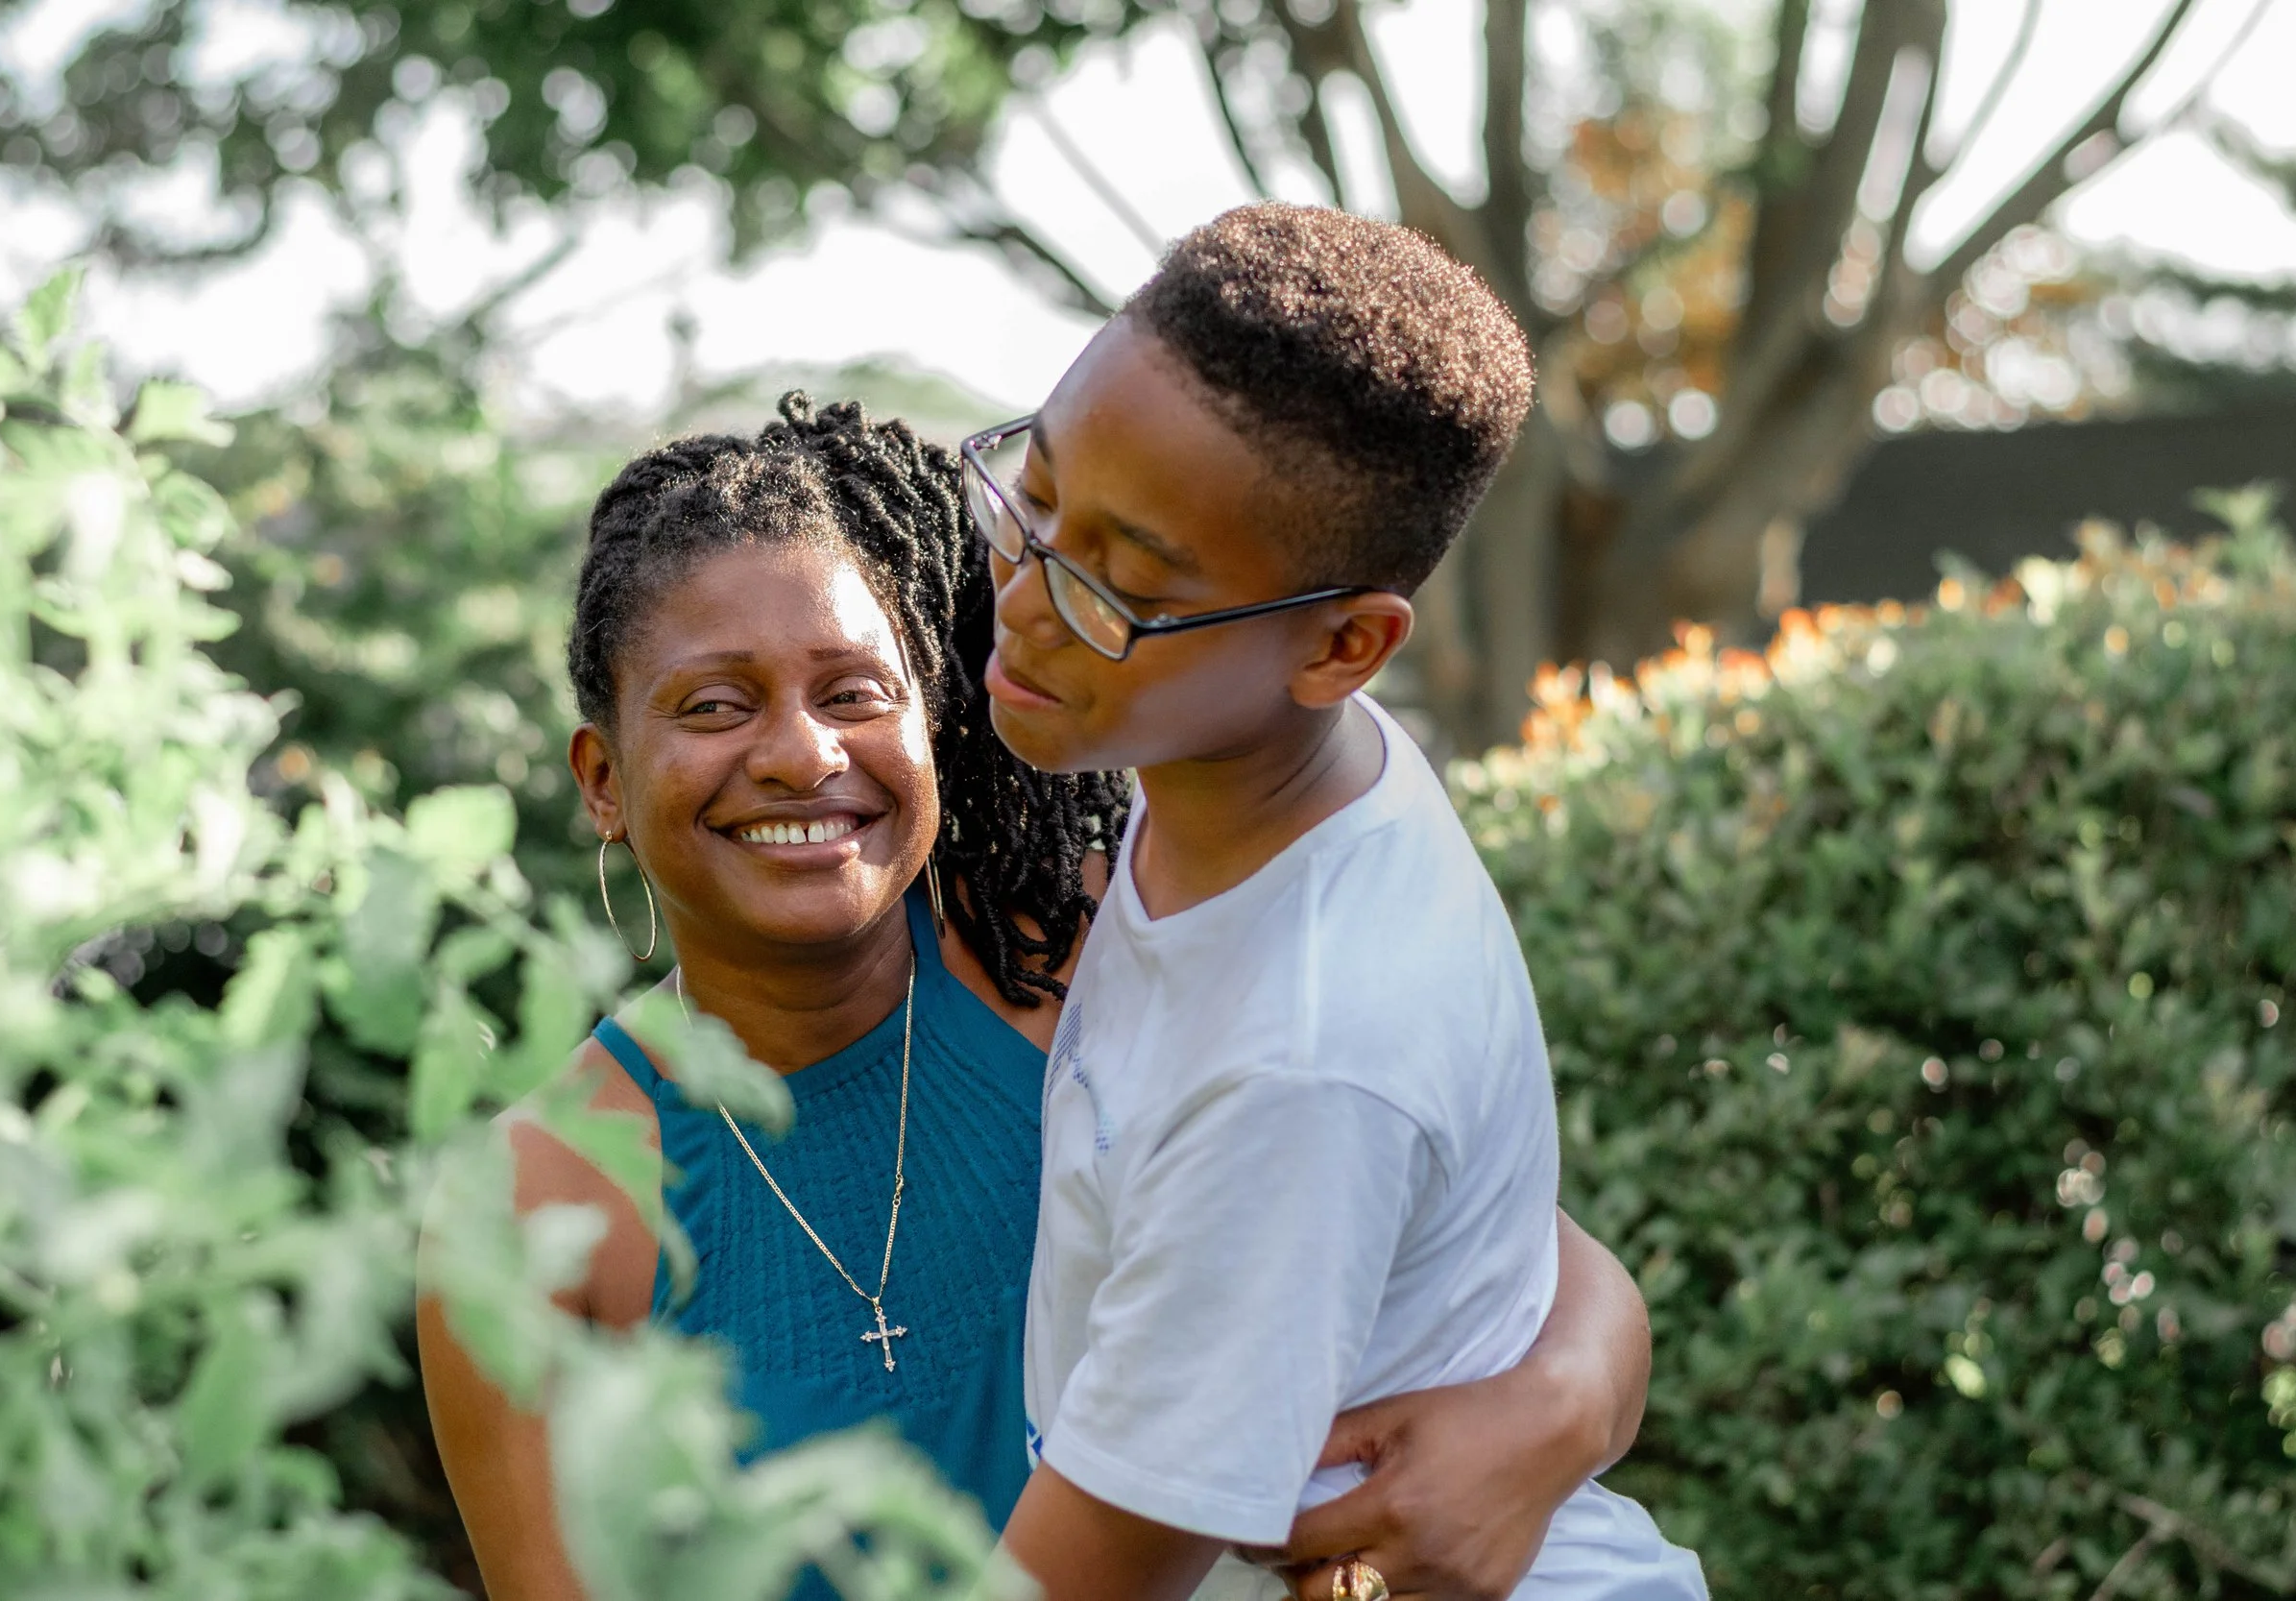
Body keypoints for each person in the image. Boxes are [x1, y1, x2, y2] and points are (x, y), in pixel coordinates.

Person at [415, 395, 1658, 1601]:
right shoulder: (527, 1213)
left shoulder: (1078, 952)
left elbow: (1485, 1227)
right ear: (602, 779)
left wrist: (1556, 1407)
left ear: (933, 722)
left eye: (854, 690)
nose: (801, 753)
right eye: (715, 704)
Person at [974, 204, 1708, 1601]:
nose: (1022, 590)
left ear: (1345, 645)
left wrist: (1571, 1395)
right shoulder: (1239, 757)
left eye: (1118, 583)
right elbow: (1492, 1228)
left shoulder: (1301, 1052)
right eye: (1037, 486)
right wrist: (1573, 1385)